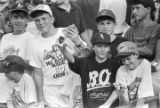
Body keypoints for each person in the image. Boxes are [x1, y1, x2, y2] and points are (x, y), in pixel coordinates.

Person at [29, 4, 86, 107]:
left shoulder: (66, 32)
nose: (41, 22)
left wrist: (78, 42)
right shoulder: (33, 42)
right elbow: (37, 73)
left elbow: (86, 56)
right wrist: (40, 99)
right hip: (51, 92)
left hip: (74, 87)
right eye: (37, 20)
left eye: (44, 18)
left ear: (52, 19)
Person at [60, 32, 120, 108]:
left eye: (106, 46)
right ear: (93, 47)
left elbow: (118, 90)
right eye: (99, 46)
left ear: (109, 48)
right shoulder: (84, 63)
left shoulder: (116, 65)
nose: (103, 49)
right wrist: (63, 50)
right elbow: (72, 59)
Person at [101, 41, 154, 108]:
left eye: (128, 59)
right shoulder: (121, 70)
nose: (126, 62)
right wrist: (106, 105)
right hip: (127, 104)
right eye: (123, 60)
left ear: (136, 55)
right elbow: (119, 91)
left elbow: (143, 94)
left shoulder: (145, 64)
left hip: (142, 104)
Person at [0, 6, 34, 107]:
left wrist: (10, 58)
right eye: (15, 17)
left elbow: (32, 65)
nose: (19, 21)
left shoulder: (31, 38)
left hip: (21, 88)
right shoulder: (5, 38)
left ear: (27, 21)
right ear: (10, 19)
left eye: (22, 17)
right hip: (3, 86)